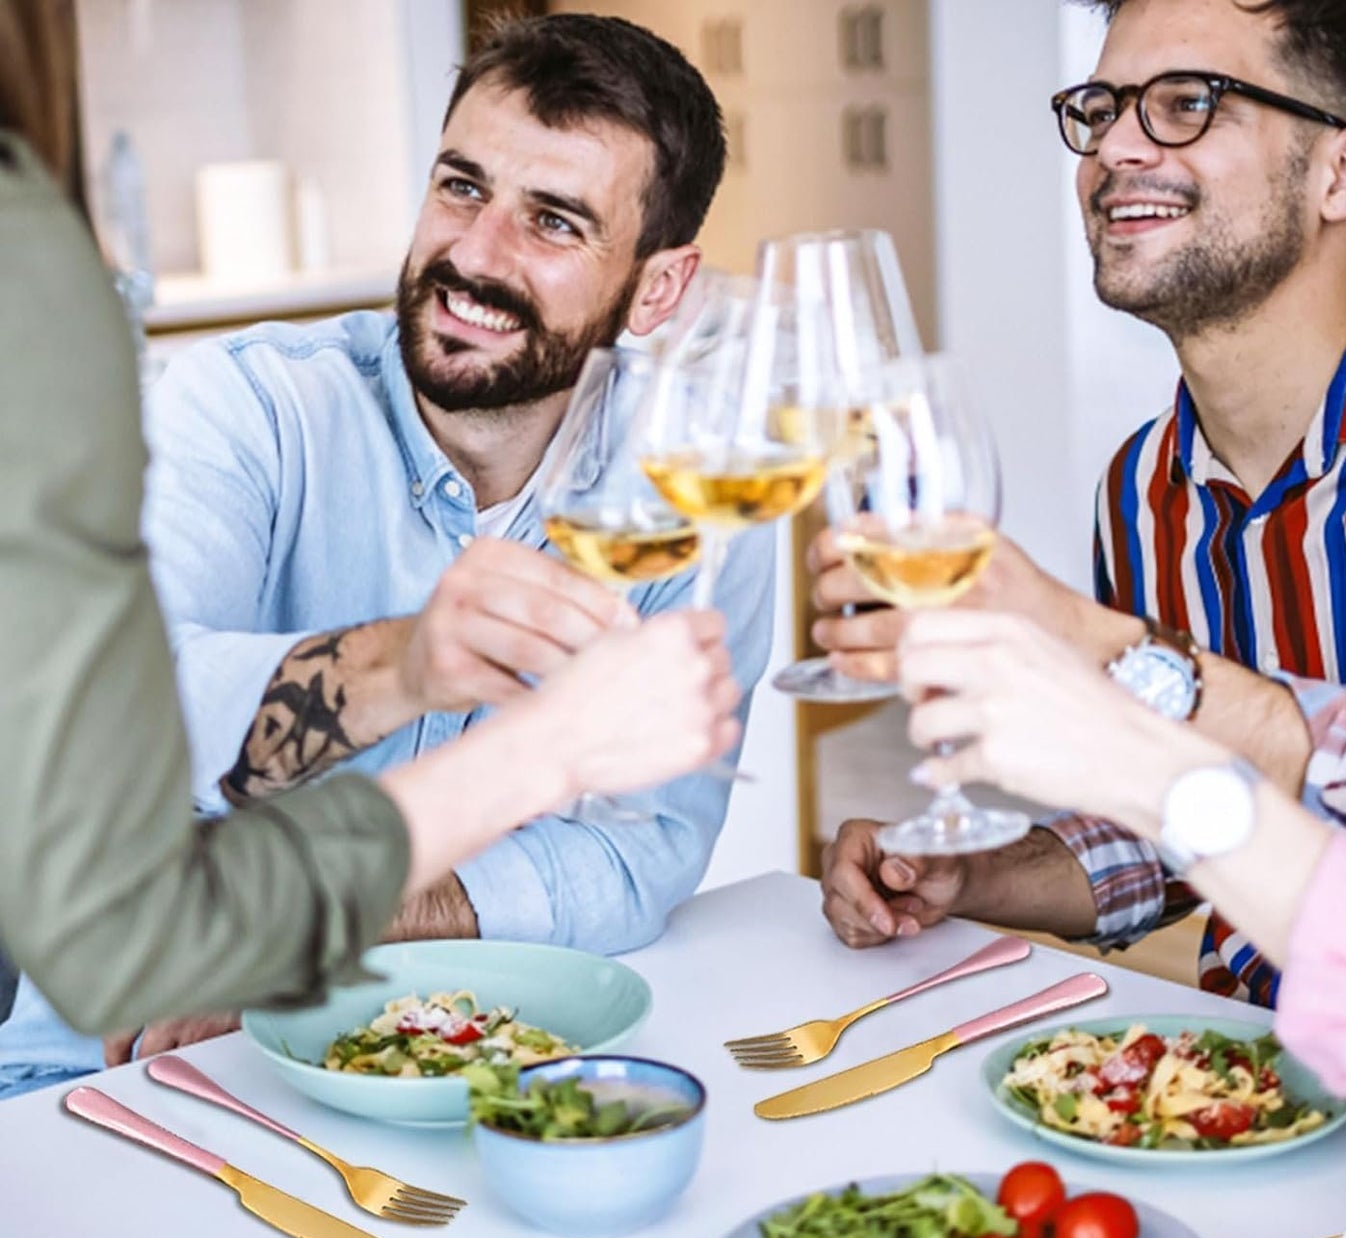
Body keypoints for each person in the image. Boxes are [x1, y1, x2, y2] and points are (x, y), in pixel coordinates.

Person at [1, 12, 776, 1090]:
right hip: (102, 1076)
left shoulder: (692, 488)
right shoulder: (248, 408)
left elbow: (642, 847)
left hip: (435, 1055)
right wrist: (404, 661)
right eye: (461, 186)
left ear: (656, 287)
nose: (475, 253)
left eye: (553, 221)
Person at [816, 0, 1346, 1005]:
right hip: (1240, 1063)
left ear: (1341, 173)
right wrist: (977, 874)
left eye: (1186, 103)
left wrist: (1110, 651)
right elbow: (1185, 812)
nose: (1112, 148)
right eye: (1101, 109)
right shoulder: (1143, 485)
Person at [895, 607, 1346, 1140]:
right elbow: (1166, 848)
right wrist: (979, 873)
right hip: (1235, 1049)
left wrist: (1157, 756)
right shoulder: (1139, 539)